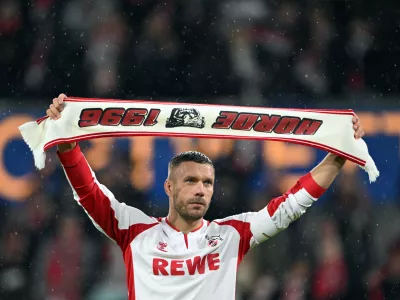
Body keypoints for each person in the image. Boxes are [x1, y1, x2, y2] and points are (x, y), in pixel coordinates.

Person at [46, 93, 365, 300]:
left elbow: (291, 205)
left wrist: (337, 157)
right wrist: (65, 143)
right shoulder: (135, 231)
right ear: (168, 187)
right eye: (190, 181)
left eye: (207, 183)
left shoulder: (229, 235)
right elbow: (88, 192)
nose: (201, 189)